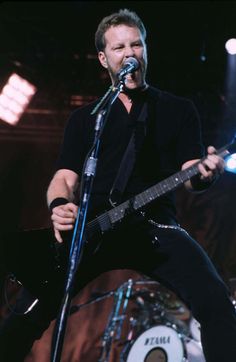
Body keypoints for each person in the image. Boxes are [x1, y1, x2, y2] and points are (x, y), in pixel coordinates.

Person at [0, 8, 236, 362]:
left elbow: (192, 172)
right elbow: (64, 177)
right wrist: (59, 205)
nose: (129, 53)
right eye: (119, 47)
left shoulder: (177, 109)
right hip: (92, 230)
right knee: (23, 318)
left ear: (146, 50)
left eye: (136, 44)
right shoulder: (88, 118)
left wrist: (205, 173)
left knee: (217, 306)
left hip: (156, 226)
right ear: (103, 57)